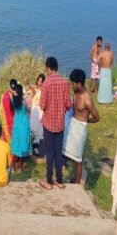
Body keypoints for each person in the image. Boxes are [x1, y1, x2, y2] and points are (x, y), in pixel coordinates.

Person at [38, 56, 71, 190]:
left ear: (48, 68)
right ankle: (60, 180)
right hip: (60, 124)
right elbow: (68, 104)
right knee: (58, 152)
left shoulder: (46, 84)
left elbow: (42, 105)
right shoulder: (64, 83)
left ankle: (49, 181)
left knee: (49, 152)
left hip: (49, 124)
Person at [64, 69, 100, 184]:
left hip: (80, 129)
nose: (72, 86)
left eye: (73, 84)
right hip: (72, 124)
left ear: (80, 83)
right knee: (64, 151)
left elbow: (97, 117)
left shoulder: (87, 99)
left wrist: (86, 121)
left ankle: (77, 184)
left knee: (77, 160)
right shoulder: (75, 93)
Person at [11, 84, 31, 172]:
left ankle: (13, 165)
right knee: (23, 143)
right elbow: (29, 110)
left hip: (17, 124)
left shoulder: (13, 100)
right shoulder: (24, 102)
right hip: (24, 124)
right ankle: (21, 166)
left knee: (16, 143)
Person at [27, 74, 46, 143]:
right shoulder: (35, 89)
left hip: (40, 110)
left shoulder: (44, 90)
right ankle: (34, 141)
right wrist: (28, 84)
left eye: (41, 81)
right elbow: (33, 90)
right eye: (39, 81)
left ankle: (38, 142)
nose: (40, 83)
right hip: (34, 109)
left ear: (43, 82)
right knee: (33, 125)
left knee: (39, 126)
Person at [0, 79, 18, 145]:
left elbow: (1, 108)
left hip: (6, 120)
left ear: (9, 85)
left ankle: (7, 149)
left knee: (7, 134)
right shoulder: (18, 94)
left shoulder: (5, 95)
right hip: (15, 120)